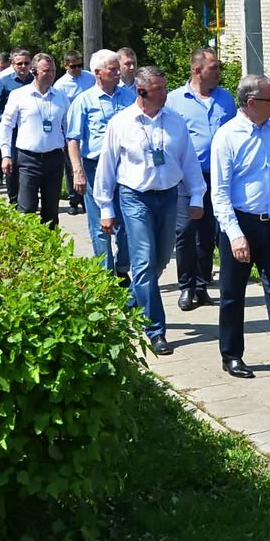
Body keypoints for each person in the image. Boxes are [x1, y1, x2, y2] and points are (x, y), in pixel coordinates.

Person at [96, 67, 204, 357]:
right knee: (143, 262)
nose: (165, 93)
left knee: (159, 261)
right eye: (159, 89)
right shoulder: (122, 123)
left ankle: (131, 302)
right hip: (135, 198)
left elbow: (189, 161)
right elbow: (107, 165)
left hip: (168, 197)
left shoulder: (175, 121)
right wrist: (105, 207)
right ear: (141, 92)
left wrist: (197, 196)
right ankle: (156, 330)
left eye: (165, 87)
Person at [210, 75, 270, 385]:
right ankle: (232, 354)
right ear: (251, 103)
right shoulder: (227, 137)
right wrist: (235, 234)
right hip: (241, 224)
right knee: (232, 294)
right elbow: (220, 192)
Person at [168, 46, 237, 310]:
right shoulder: (175, 100)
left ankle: (201, 285)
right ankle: (186, 286)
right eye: (214, 68)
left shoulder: (225, 99)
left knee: (209, 234)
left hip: (217, 177)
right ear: (197, 70)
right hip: (186, 178)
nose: (219, 72)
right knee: (185, 231)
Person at [64, 49, 136, 274]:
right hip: (95, 167)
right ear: (98, 73)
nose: (118, 73)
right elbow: (73, 138)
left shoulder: (129, 97)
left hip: (125, 167)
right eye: (112, 69)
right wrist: (78, 171)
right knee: (101, 224)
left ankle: (123, 270)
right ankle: (105, 274)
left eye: (118, 68)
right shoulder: (84, 101)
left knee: (126, 221)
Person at [0, 54, 72, 225]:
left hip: (54, 158)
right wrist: (6, 155)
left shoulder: (61, 97)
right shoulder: (19, 95)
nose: (51, 74)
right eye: (46, 71)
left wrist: (73, 156)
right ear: (34, 71)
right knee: (26, 209)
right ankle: (27, 249)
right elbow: (6, 125)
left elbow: (68, 127)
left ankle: (51, 249)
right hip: (28, 159)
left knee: (51, 212)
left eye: (53, 70)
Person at [52, 51, 96, 214]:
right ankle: (73, 199)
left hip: (88, 128)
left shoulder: (90, 78)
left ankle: (86, 199)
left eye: (79, 65)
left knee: (86, 163)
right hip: (71, 128)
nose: (77, 69)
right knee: (72, 166)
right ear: (66, 66)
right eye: (73, 66)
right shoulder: (60, 85)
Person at [0, 49, 33, 206]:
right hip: (12, 130)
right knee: (11, 163)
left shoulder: (35, 81)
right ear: (13, 64)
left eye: (26, 63)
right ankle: (14, 200)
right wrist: (4, 119)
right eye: (19, 63)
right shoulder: (4, 82)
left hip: (30, 130)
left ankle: (27, 199)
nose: (23, 66)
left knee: (27, 165)